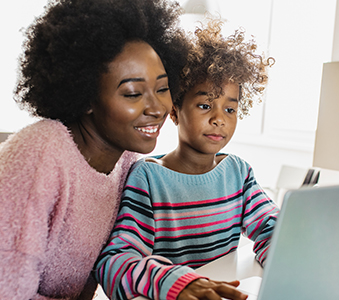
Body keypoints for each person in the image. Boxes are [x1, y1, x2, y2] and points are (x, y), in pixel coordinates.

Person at [0, 0, 190, 299]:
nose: (157, 108)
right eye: (132, 93)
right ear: (86, 96)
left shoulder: (127, 162)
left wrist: (176, 282)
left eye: (163, 88)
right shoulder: (41, 152)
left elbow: (120, 261)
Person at [95, 19, 278, 300]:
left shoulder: (238, 173)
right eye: (205, 105)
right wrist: (176, 282)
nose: (219, 119)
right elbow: (115, 263)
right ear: (175, 111)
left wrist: (285, 254)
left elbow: (270, 227)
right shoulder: (148, 177)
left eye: (230, 108)